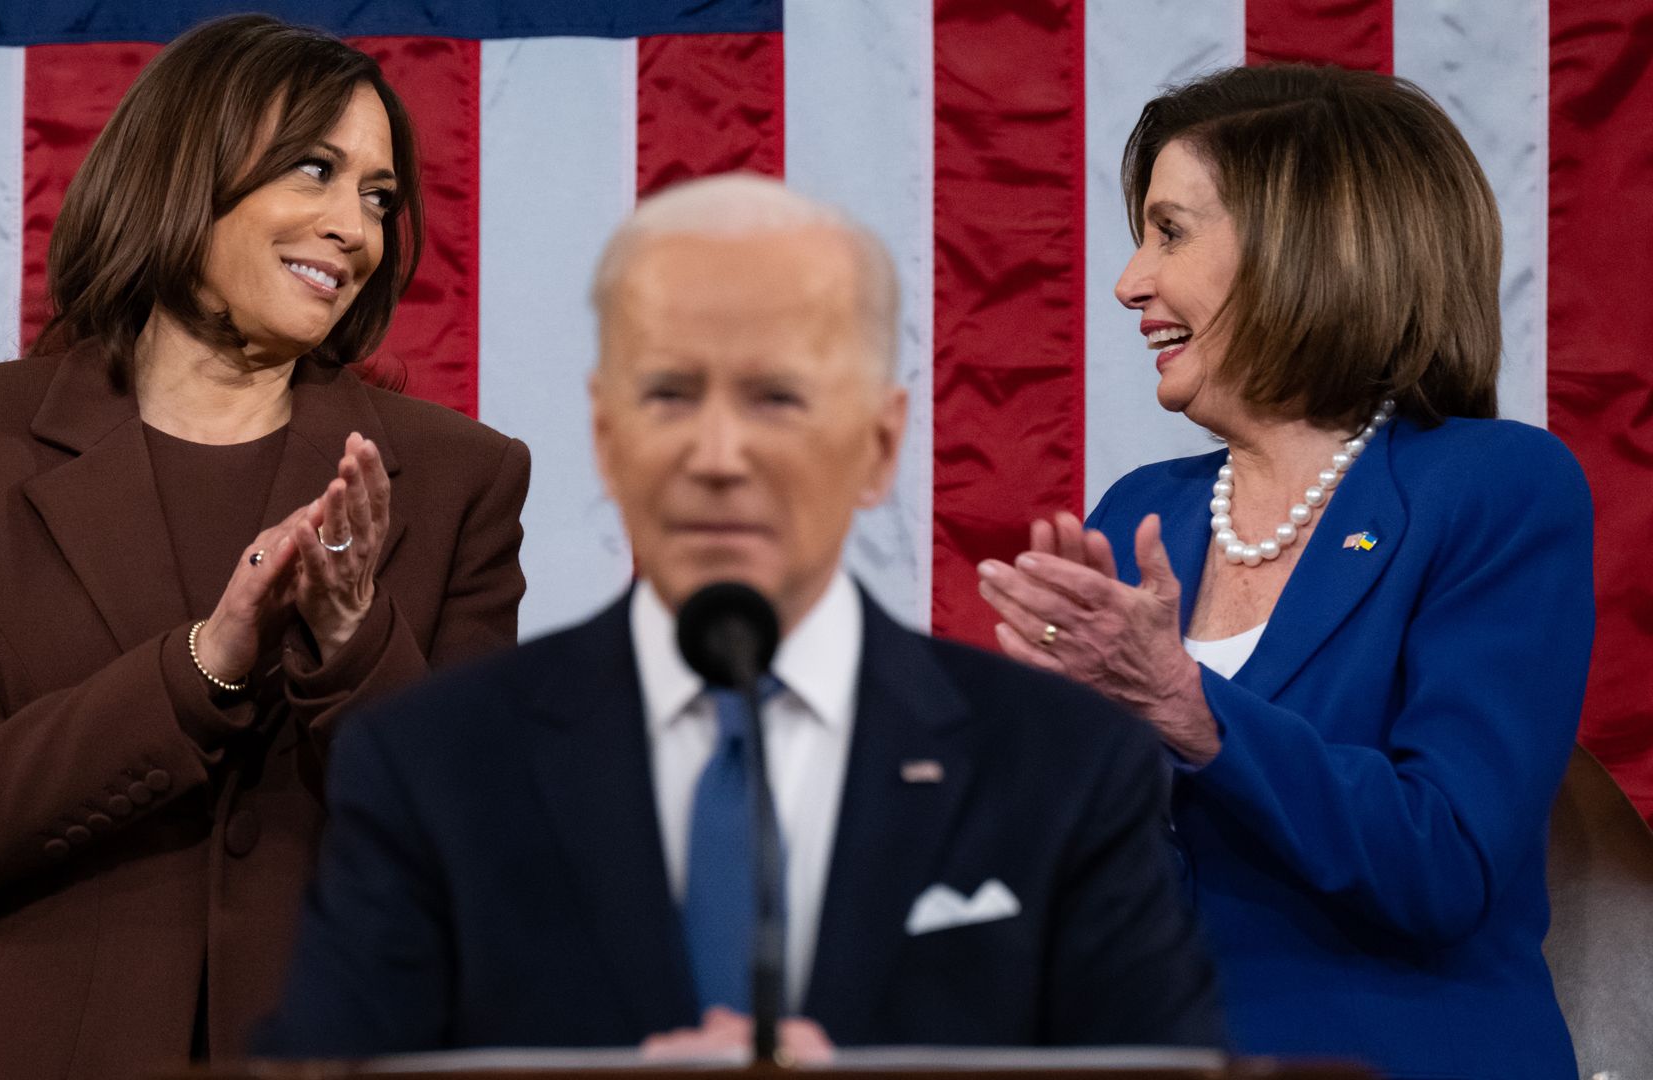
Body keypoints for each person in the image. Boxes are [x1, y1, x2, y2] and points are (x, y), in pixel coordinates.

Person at [255, 174, 1222, 1058]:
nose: (719, 453)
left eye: (776, 398)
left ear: (880, 446)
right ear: (605, 436)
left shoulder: (1060, 766)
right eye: (670, 395)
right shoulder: (435, 763)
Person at [0, 15, 529, 1080]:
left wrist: (353, 640)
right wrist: (199, 666)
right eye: (316, 169)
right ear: (186, 166)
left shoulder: (458, 477)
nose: (354, 226)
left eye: (378, 196)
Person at [976, 65, 1594, 1080]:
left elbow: (1442, 864)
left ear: (1304, 244)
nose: (1130, 282)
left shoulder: (1496, 489)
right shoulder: (1142, 513)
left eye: (1170, 232)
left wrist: (1192, 713)